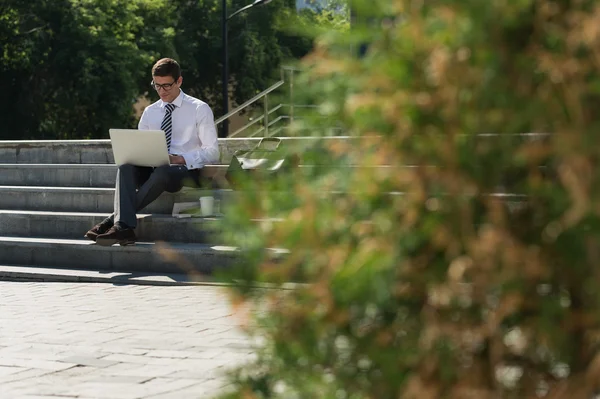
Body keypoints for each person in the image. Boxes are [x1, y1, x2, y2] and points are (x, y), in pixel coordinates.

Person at [84, 58, 220, 246]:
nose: (162, 91)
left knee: (164, 169)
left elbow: (213, 152)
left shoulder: (199, 109)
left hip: (187, 171)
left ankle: (114, 222)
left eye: (167, 86)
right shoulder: (150, 112)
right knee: (126, 166)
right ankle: (124, 229)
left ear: (179, 81)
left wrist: (179, 159)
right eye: (157, 86)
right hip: (155, 168)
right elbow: (142, 146)